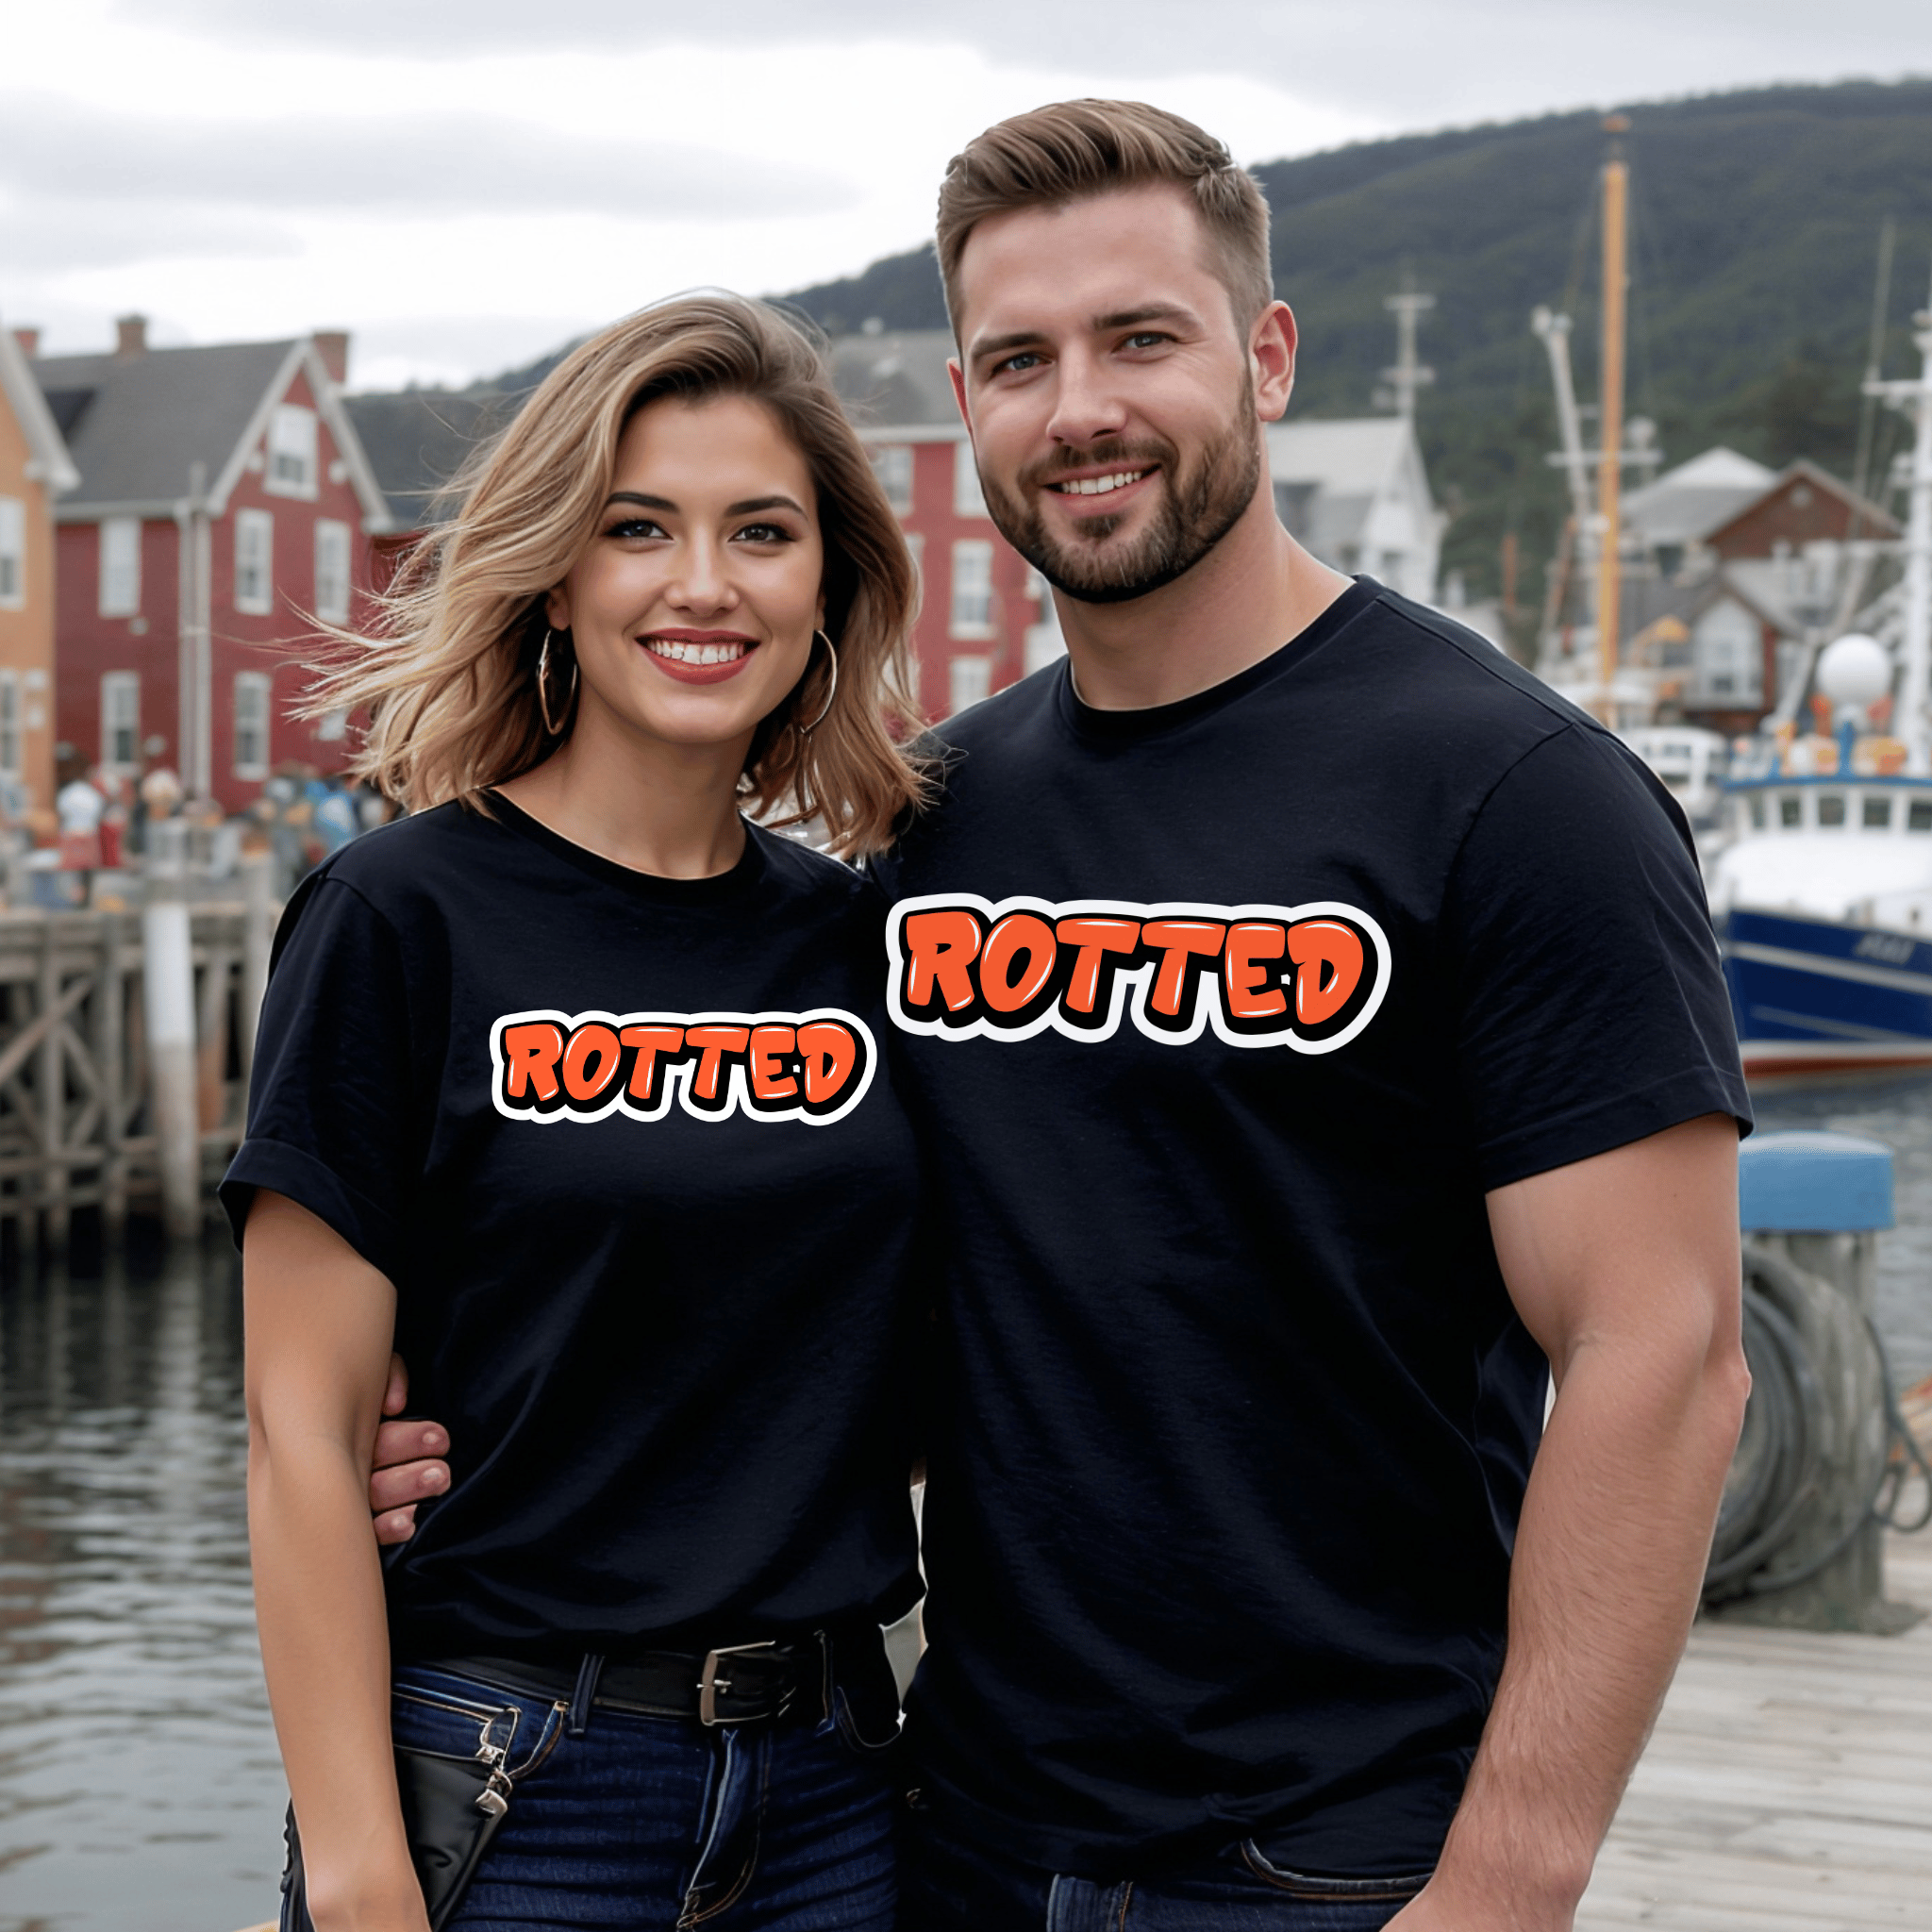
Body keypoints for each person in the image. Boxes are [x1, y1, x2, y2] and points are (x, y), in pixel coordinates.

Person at [371, 103, 1752, 1930]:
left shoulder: (1512, 795)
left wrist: (1507, 1880)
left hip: (1331, 1854)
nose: (1079, 407)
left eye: (1140, 339)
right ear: (967, 405)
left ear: (1267, 357)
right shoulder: (935, 822)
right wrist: (477, 1427)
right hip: (951, 1825)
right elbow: (836, 1265)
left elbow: (1663, 1357)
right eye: (1020, 360)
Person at [231, 294, 931, 1932]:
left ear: (826, 583)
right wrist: (360, 1874)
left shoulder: (867, 943)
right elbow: (300, 1433)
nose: (704, 583)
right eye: (638, 528)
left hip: (834, 1788)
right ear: (557, 572)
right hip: (510, 1787)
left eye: (761, 532)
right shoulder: (399, 918)